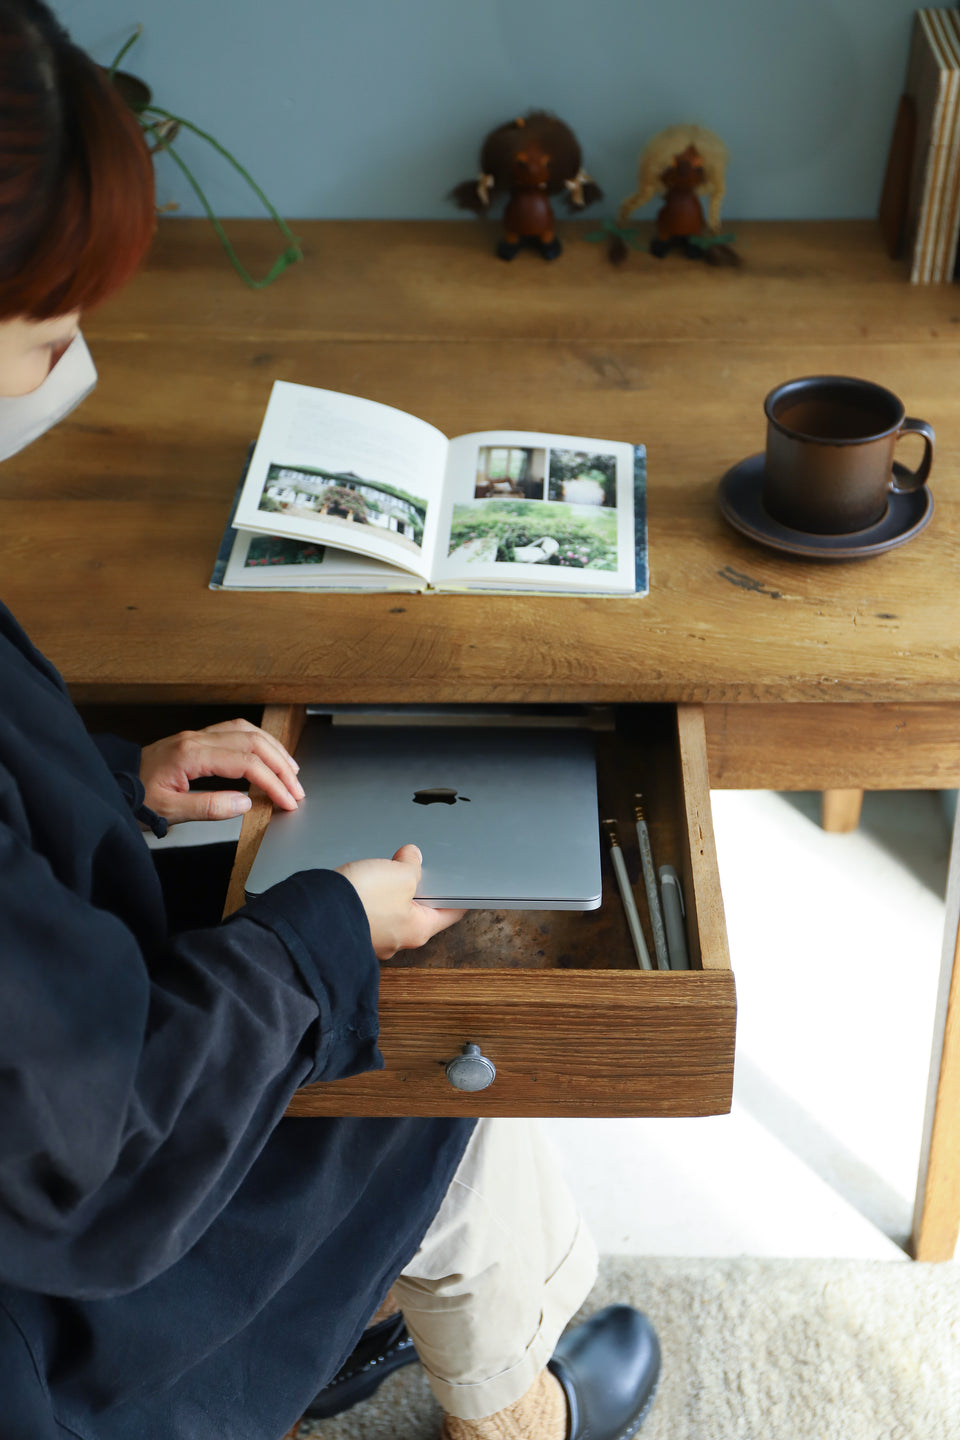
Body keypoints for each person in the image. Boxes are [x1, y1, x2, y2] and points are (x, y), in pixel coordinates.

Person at [0, 5, 661, 1439]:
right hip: (59, 1298)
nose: (65, 370)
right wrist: (318, 941)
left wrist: (113, 784)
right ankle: (516, 1409)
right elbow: (92, 1144)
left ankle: (417, 1331)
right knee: (434, 1029)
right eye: (49, 333)